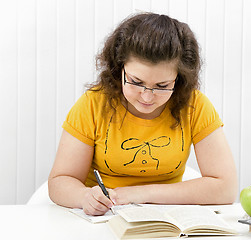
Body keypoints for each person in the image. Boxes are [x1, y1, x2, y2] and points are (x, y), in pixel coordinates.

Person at [48, 12, 238, 216]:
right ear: (119, 67)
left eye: (162, 86)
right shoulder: (94, 104)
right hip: (103, 218)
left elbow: (225, 188)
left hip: (166, 219)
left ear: (179, 79)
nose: (147, 97)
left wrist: (138, 194)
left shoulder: (195, 106)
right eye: (136, 82)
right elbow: (60, 181)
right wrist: (84, 197)